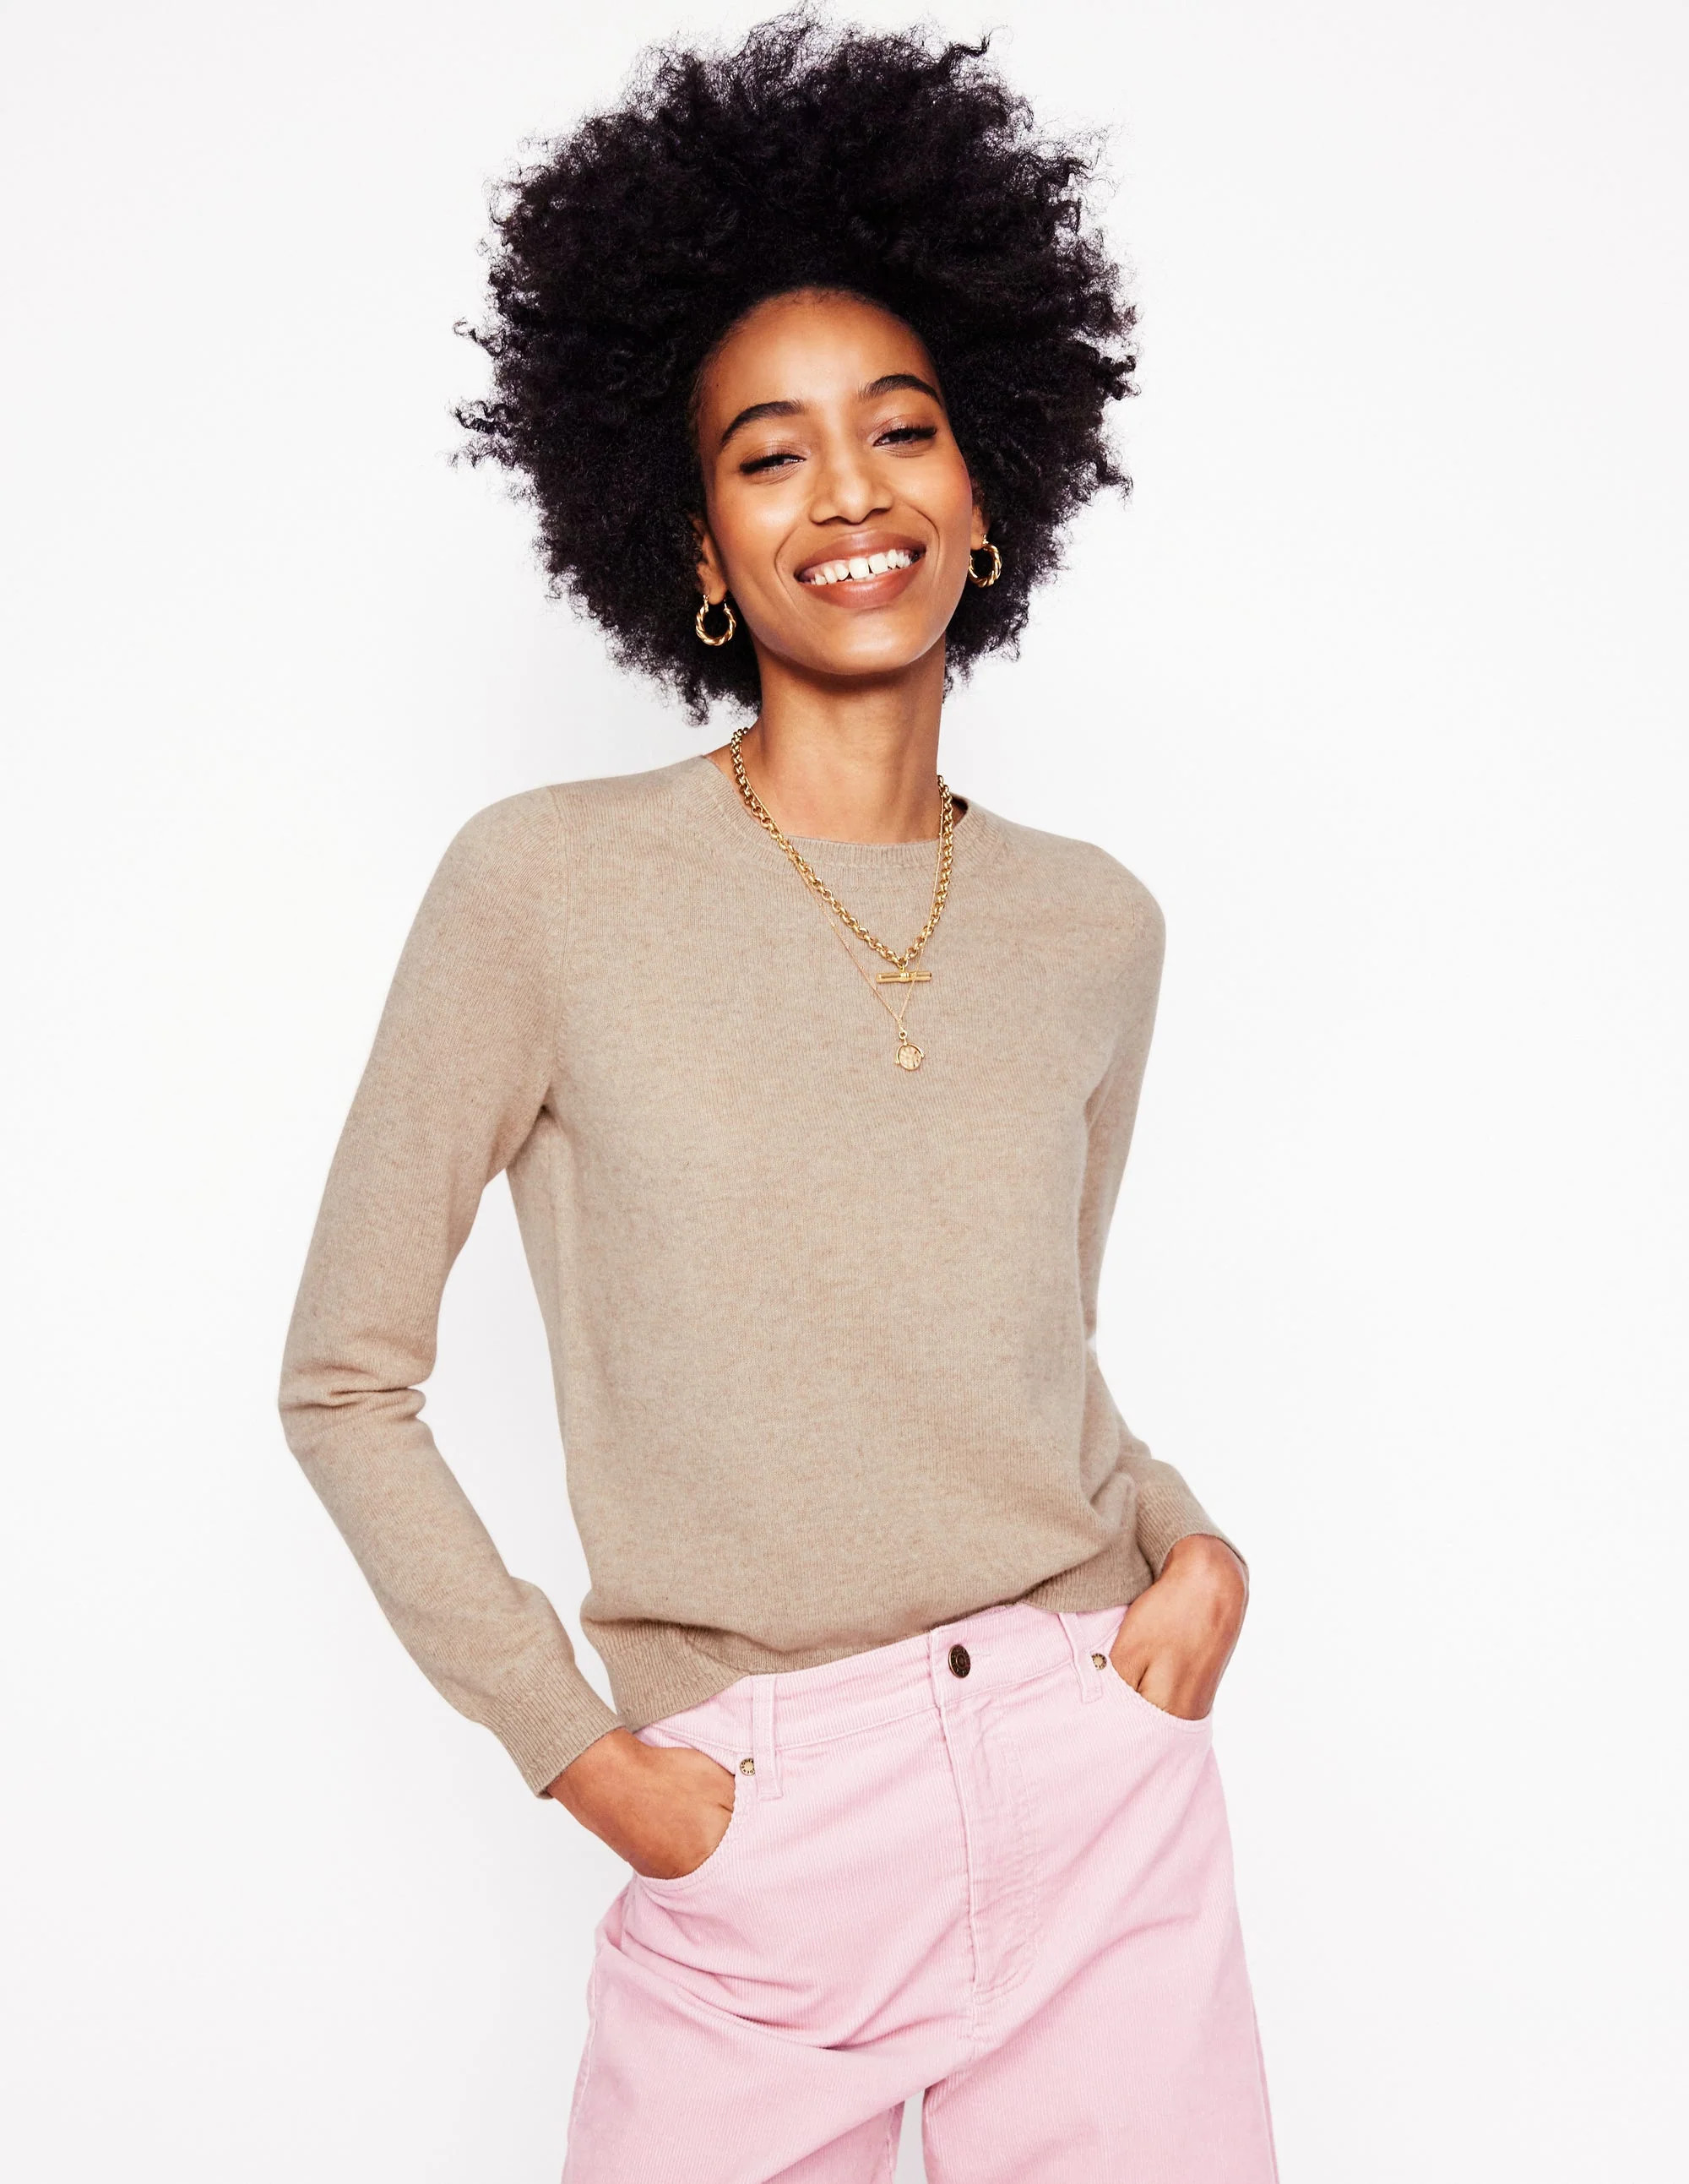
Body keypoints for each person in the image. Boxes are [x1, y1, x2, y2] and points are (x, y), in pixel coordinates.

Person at [280, 15, 1279, 2180]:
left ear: (986, 486)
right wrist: (585, 1758)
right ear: (697, 546)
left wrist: (1193, 1555)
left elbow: (1034, 1360)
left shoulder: (1094, 926)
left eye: (902, 429)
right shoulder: (544, 888)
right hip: (759, 1829)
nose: (851, 493)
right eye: (770, 453)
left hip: (1096, 1779)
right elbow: (342, 1381)